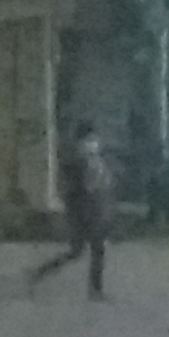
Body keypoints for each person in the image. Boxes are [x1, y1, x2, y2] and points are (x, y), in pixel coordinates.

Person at [35, 122, 118, 301]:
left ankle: (45, 272)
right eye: (91, 139)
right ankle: (93, 290)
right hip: (84, 212)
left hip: (93, 210)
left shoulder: (95, 160)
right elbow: (80, 189)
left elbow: (104, 183)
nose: (95, 142)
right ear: (84, 141)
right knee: (86, 250)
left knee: (86, 251)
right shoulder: (79, 161)